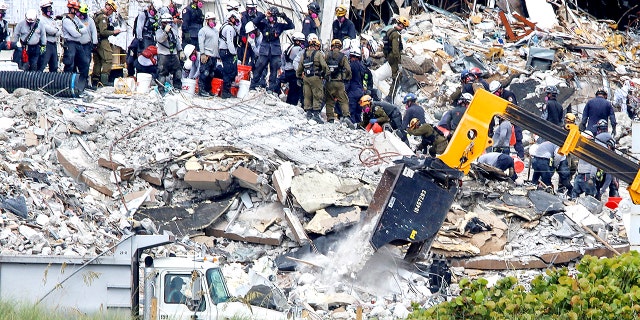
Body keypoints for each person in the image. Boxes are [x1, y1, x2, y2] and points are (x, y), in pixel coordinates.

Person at [249, 6, 294, 93]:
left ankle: (271, 88)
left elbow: (291, 26)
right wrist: (264, 15)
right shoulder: (264, 24)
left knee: (274, 70)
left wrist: (284, 17)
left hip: (275, 52)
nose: (270, 18)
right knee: (259, 68)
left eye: (272, 16)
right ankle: (253, 85)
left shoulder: (279, 26)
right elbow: (254, 22)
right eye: (270, 16)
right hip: (264, 51)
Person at [296, 35, 327, 124]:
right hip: (316, 77)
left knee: (307, 95)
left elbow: (300, 67)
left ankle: (308, 114)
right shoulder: (318, 54)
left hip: (306, 77)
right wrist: (326, 75)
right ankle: (316, 115)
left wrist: (298, 76)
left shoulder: (304, 53)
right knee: (317, 94)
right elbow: (324, 66)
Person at [490, 80, 524, 159]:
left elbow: (513, 109)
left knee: (517, 140)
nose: (496, 95)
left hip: (513, 121)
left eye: (496, 93)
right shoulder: (497, 98)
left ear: (500, 89)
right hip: (504, 122)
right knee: (505, 142)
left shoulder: (508, 95)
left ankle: (520, 157)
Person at [92, 0, 121, 86]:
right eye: (112, 11)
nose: (111, 13)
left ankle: (95, 81)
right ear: (109, 8)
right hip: (102, 40)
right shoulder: (103, 17)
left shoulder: (97, 14)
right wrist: (113, 32)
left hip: (95, 41)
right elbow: (103, 32)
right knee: (108, 59)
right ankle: (104, 81)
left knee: (98, 62)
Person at [324, 39, 352, 124]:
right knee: (343, 100)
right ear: (340, 47)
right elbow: (348, 70)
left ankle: (330, 118)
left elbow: (323, 66)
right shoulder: (343, 56)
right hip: (339, 82)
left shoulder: (326, 55)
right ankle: (346, 116)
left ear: (332, 46)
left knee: (329, 100)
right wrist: (345, 77)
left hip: (329, 82)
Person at [156, 12, 183, 92]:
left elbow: (177, 41)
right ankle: (161, 90)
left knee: (178, 72)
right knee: (162, 74)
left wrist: (180, 50)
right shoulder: (159, 31)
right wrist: (165, 32)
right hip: (163, 55)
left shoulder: (174, 31)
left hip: (173, 54)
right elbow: (160, 39)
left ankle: (177, 89)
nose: (168, 24)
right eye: (165, 23)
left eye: (169, 22)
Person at [383, 16, 408, 101]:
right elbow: (395, 50)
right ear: (401, 26)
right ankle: (391, 97)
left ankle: (391, 96)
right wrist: (399, 62)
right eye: (404, 27)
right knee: (396, 77)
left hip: (389, 55)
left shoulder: (390, 30)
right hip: (393, 57)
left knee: (395, 76)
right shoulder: (396, 34)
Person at [62, 1, 88, 80]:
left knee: (84, 63)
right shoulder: (66, 20)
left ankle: (83, 82)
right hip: (70, 43)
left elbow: (85, 29)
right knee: (70, 64)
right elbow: (75, 34)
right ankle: (66, 82)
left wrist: (78, 31)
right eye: (75, 9)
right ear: (71, 9)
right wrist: (80, 32)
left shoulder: (76, 19)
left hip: (78, 43)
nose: (77, 11)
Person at [218, 12, 240, 99]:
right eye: (234, 19)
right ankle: (225, 92)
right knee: (229, 71)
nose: (236, 21)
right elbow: (229, 41)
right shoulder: (229, 28)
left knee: (231, 70)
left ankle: (228, 90)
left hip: (226, 51)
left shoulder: (226, 26)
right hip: (227, 52)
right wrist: (234, 53)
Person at [570, 131, 598, 200]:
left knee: (589, 195)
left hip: (587, 175)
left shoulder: (592, 150)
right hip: (580, 174)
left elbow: (594, 164)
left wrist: (591, 176)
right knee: (575, 192)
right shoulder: (582, 149)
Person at [197, 12, 219, 97]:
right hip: (206, 55)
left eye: (214, 19)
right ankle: (201, 90)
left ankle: (208, 89)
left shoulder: (216, 31)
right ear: (207, 20)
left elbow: (217, 43)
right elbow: (201, 42)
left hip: (213, 56)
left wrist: (217, 55)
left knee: (211, 74)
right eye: (211, 20)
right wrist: (202, 53)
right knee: (204, 73)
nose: (213, 21)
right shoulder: (203, 30)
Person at [279, 32, 305, 105]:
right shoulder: (298, 49)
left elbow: (283, 59)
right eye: (301, 42)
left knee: (291, 88)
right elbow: (298, 61)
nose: (302, 44)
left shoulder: (289, 48)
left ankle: (288, 102)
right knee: (295, 89)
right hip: (293, 71)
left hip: (287, 70)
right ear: (297, 41)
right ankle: (292, 104)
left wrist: (284, 68)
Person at [594, 130, 619, 200]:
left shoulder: (613, 155)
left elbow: (610, 176)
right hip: (601, 174)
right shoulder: (602, 151)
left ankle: (614, 199)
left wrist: (615, 181)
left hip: (609, 175)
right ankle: (597, 196)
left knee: (613, 185)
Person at [77, 4, 97, 89]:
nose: (82, 16)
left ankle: (85, 81)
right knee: (76, 63)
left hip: (86, 45)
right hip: (77, 44)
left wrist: (94, 42)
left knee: (86, 63)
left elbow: (94, 31)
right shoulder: (75, 20)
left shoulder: (90, 21)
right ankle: (76, 81)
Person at [38, 0, 61, 72]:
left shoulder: (51, 19)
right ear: (43, 9)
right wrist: (55, 31)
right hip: (46, 44)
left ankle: (53, 82)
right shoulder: (41, 20)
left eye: (50, 8)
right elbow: (50, 31)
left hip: (54, 45)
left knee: (54, 66)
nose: (50, 10)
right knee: (42, 65)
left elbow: (59, 31)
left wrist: (55, 31)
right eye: (48, 9)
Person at [239, 0, 263, 65]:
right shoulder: (242, 16)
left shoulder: (260, 15)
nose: (252, 10)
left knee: (256, 60)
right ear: (247, 8)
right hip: (245, 43)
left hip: (257, 42)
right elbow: (240, 30)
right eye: (250, 9)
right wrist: (243, 38)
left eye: (254, 8)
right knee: (245, 60)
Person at [346, 48, 366, 124]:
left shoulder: (351, 66)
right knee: (358, 111)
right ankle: (359, 125)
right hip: (360, 91)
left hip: (352, 91)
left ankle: (352, 125)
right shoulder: (362, 66)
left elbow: (348, 79)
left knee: (352, 110)